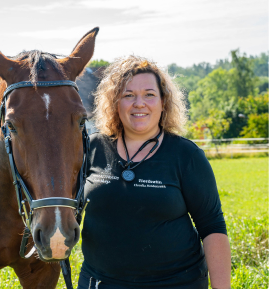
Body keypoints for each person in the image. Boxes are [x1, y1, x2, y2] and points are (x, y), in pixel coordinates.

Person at [78, 56, 231, 289]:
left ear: (163, 102)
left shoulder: (186, 155)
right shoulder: (91, 148)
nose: (139, 103)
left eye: (149, 94)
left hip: (176, 283)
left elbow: (212, 228)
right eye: (128, 95)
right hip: (99, 282)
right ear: (114, 102)